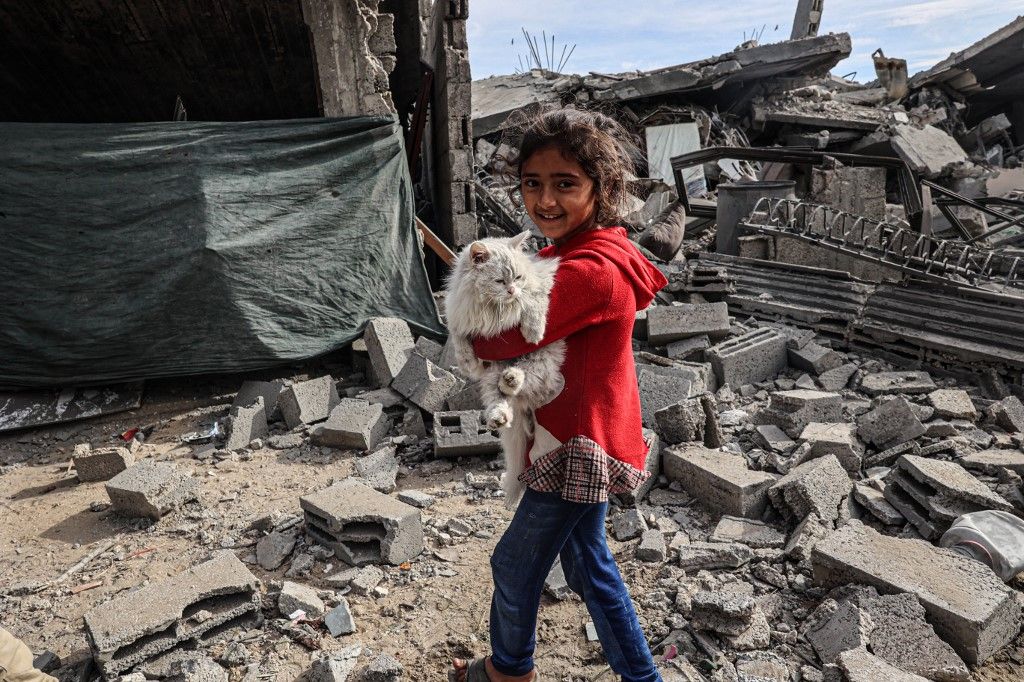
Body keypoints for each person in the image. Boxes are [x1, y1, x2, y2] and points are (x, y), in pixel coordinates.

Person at [451, 106, 667, 682]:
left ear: (602, 187)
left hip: (575, 446)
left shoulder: (590, 271)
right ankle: (642, 677)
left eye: (565, 184)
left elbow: (492, 340)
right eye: (532, 183)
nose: (544, 200)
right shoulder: (570, 254)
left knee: (514, 566)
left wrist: (471, 320)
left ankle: (508, 671)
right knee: (588, 566)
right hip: (575, 433)